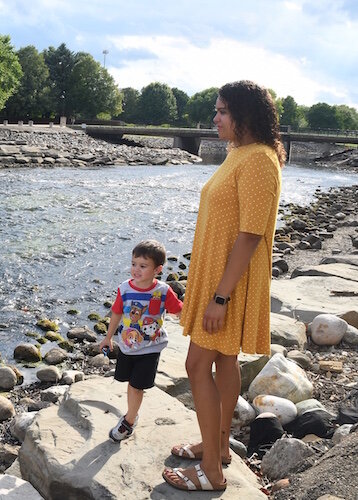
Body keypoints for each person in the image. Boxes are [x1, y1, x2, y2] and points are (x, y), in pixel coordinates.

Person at [162, 80, 285, 492]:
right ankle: (217, 447)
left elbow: (250, 234)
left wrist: (220, 297)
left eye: (222, 111)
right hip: (220, 274)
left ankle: (212, 472)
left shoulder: (259, 161)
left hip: (229, 281)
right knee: (225, 360)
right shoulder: (240, 153)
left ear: (244, 115)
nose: (214, 118)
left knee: (197, 364)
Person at [98, 239, 183, 442]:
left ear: (158, 269)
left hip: (150, 348)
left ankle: (128, 421)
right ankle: (132, 414)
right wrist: (108, 337)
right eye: (134, 264)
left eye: (143, 266)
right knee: (130, 383)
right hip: (127, 347)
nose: (136, 269)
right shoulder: (125, 288)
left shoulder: (162, 291)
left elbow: (179, 311)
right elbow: (116, 313)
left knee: (137, 386)